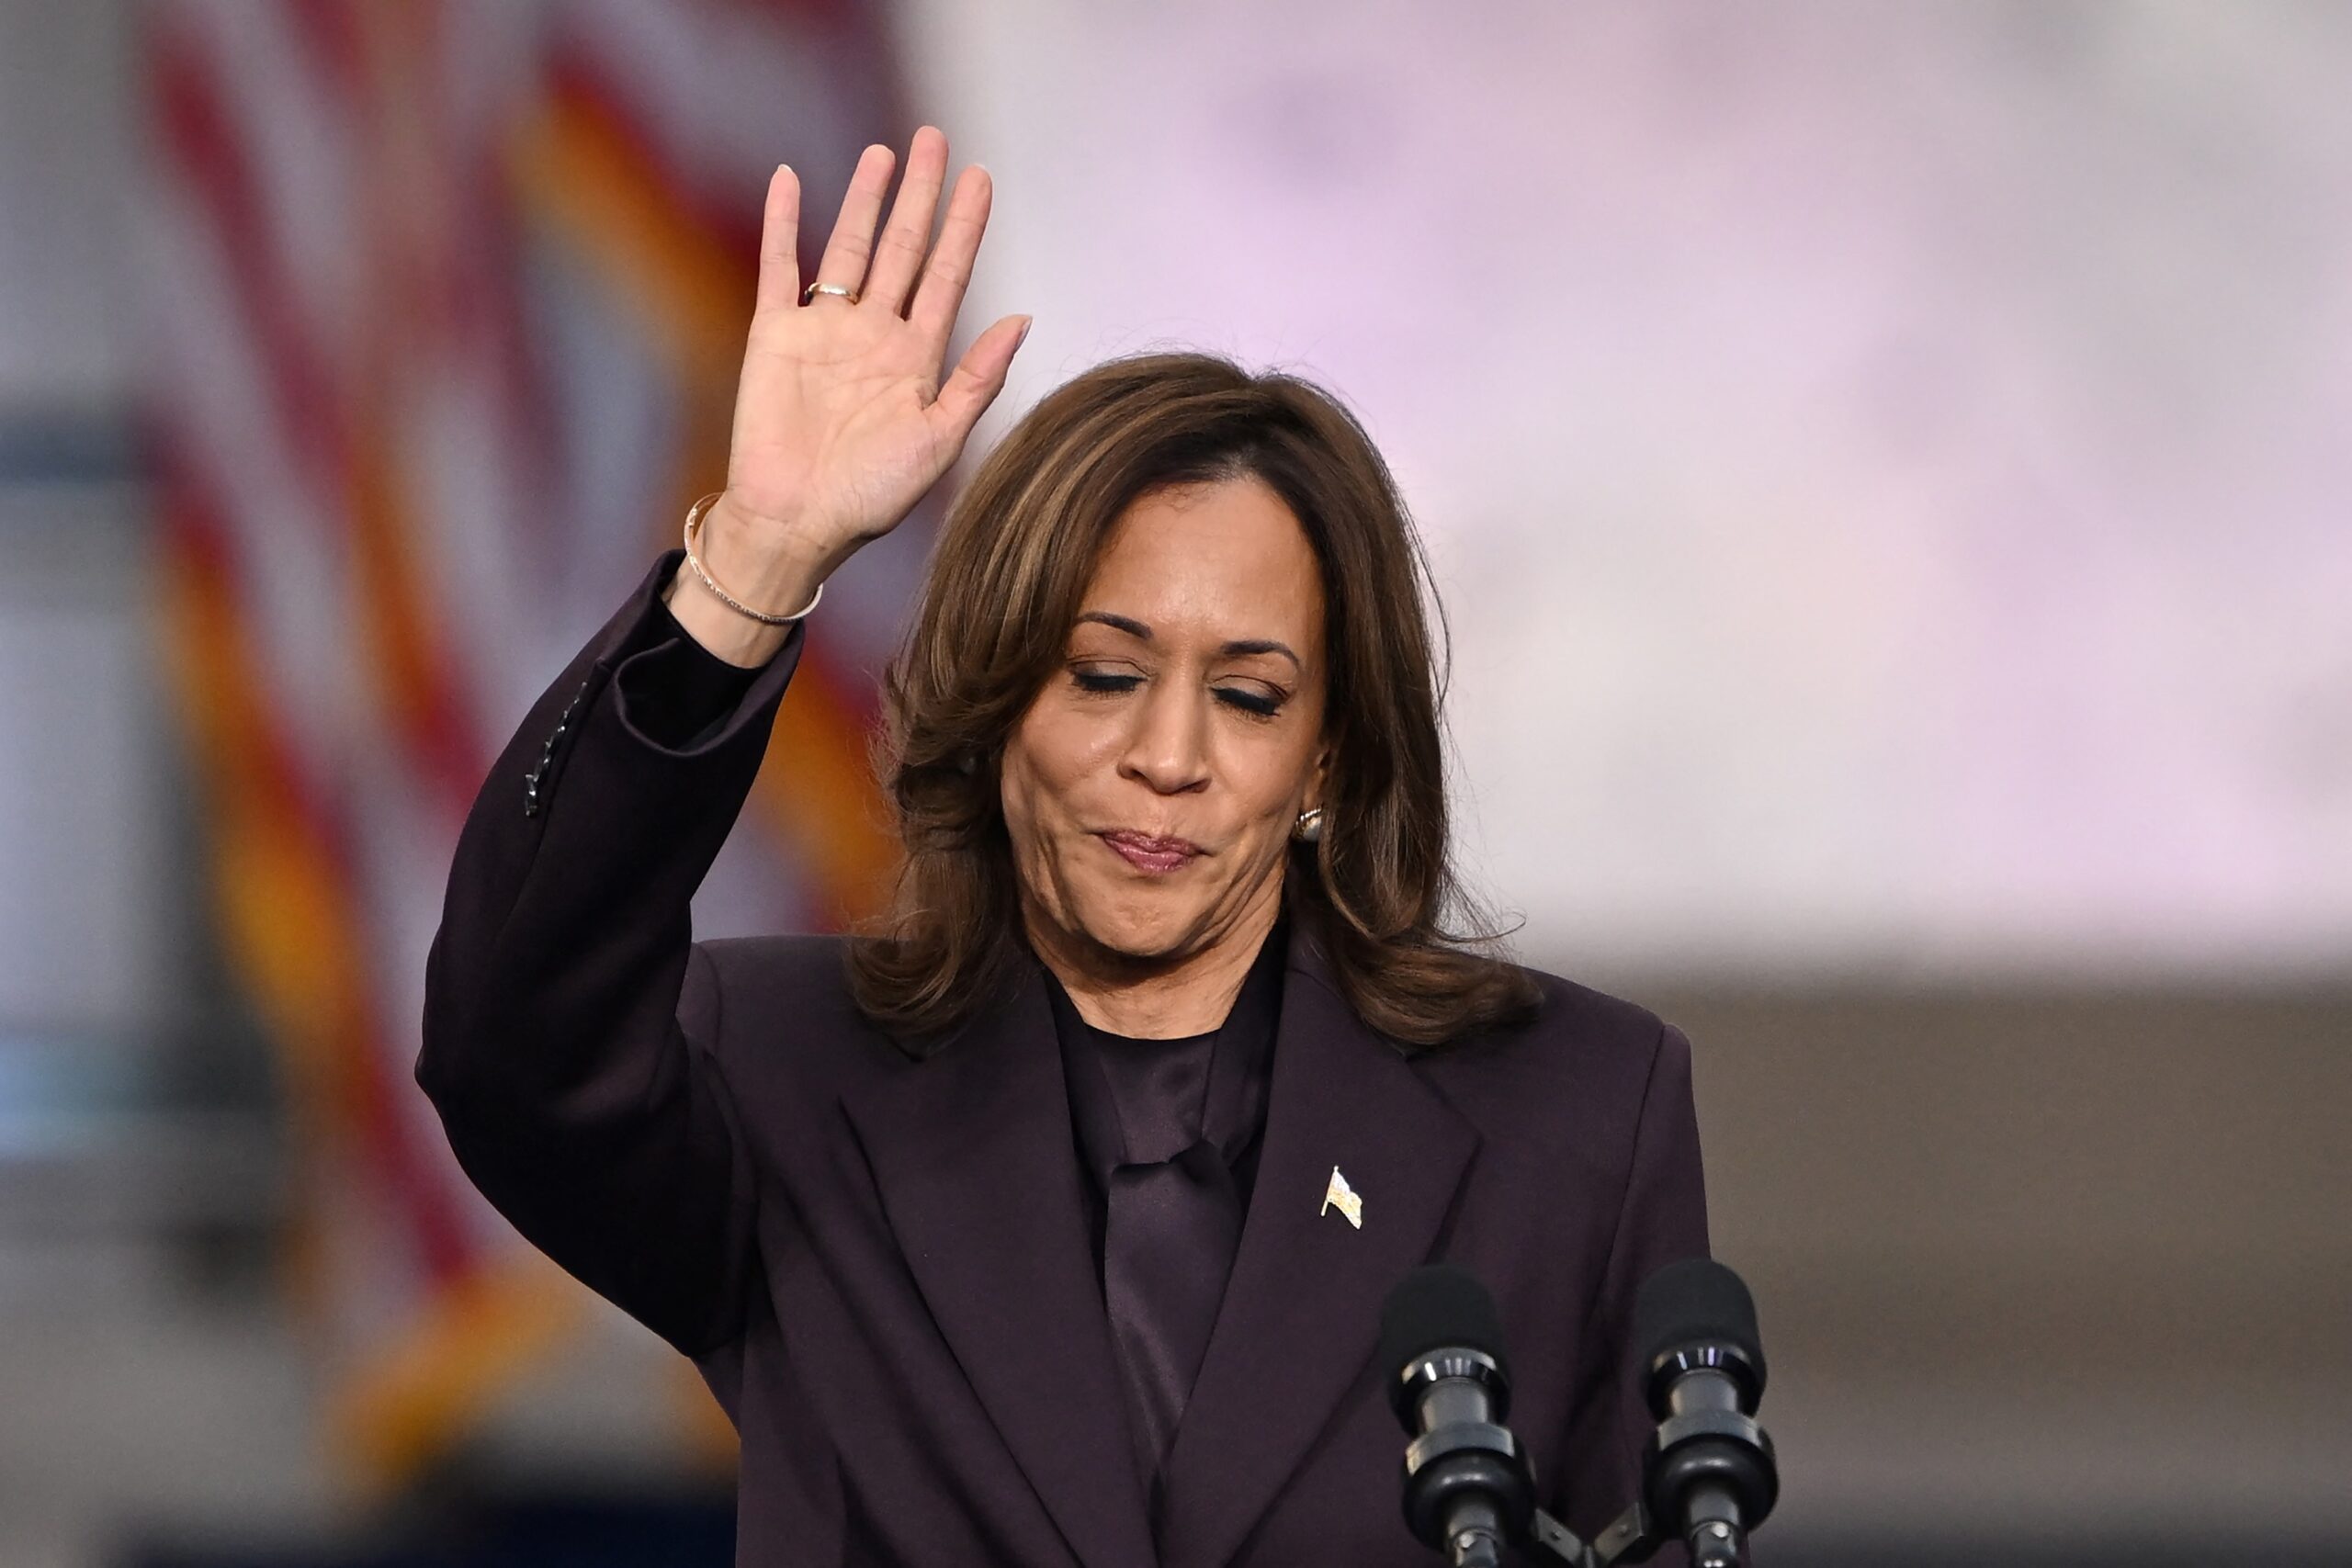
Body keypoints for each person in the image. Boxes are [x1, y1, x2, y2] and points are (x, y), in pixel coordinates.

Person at [417, 125, 1709, 1568]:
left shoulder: (1578, 1114)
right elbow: (508, 1049)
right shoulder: (788, 1078)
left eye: (1250, 695)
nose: (1168, 755)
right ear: (993, 699)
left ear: (1328, 752)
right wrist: (756, 567)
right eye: (1103, 673)